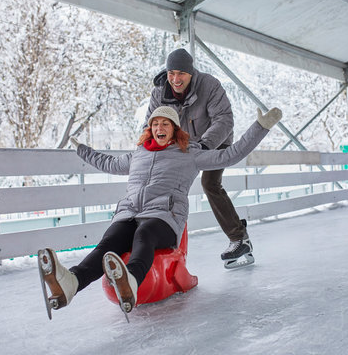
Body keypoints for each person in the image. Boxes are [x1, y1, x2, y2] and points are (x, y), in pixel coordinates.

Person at [38, 105, 282, 316]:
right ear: (150, 129)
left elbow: (230, 155)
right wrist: (83, 150)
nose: (159, 127)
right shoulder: (138, 154)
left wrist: (260, 127)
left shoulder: (190, 153)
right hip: (129, 213)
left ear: (174, 129)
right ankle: (71, 283)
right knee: (108, 243)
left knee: (145, 235)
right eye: (155, 123)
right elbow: (108, 163)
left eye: (165, 123)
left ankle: (130, 281)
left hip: (164, 217)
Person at [145, 48, 253, 268]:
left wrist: (205, 145)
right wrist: (146, 150)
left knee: (210, 182)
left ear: (191, 73)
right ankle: (158, 239)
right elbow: (151, 123)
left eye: (181, 74)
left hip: (215, 139)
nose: (176, 79)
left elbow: (224, 119)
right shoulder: (159, 93)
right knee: (163, 183)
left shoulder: (209, 85)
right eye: (171, 73)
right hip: (183, 143)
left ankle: (239, 238)